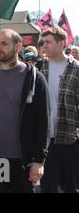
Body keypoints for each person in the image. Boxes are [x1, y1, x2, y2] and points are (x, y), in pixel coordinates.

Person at [0, 29, 50, 193]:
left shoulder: (35, 78)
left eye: (4, 43)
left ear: (18, 47)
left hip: (22, 161)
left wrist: (39, 160)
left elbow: (44, 122)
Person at [39, 27, 79, 193]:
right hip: (44, 138)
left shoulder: (76, 69)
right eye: (43, 42)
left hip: (68, 137)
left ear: (62, 43)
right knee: (47, 186)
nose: (44, 46)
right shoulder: (39, 68)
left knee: (69, 185)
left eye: (48, 42)